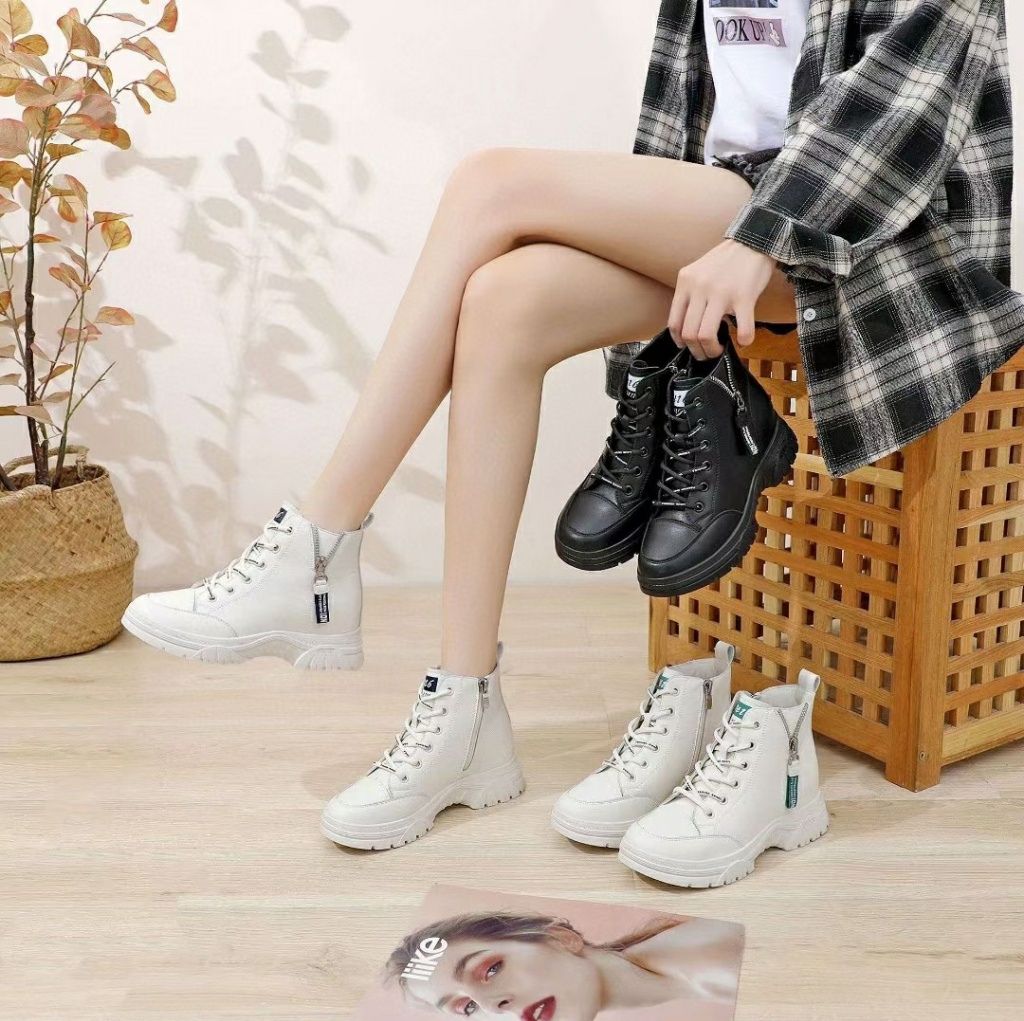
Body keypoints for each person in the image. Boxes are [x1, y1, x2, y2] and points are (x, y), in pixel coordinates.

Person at [120, 0, 1020, 851]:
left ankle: (315, 548)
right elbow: (684, 131)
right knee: (503, 302)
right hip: (734, 215)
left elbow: (905, 107)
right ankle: (465, 710)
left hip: (882, 241)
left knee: (491, 183)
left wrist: (758, 239)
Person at [383, 910, 743, 1021]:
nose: (494, 1006)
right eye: (467, 1007)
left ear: (561, 938)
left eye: (491, 969)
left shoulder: (715, 962)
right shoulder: (684, 980)